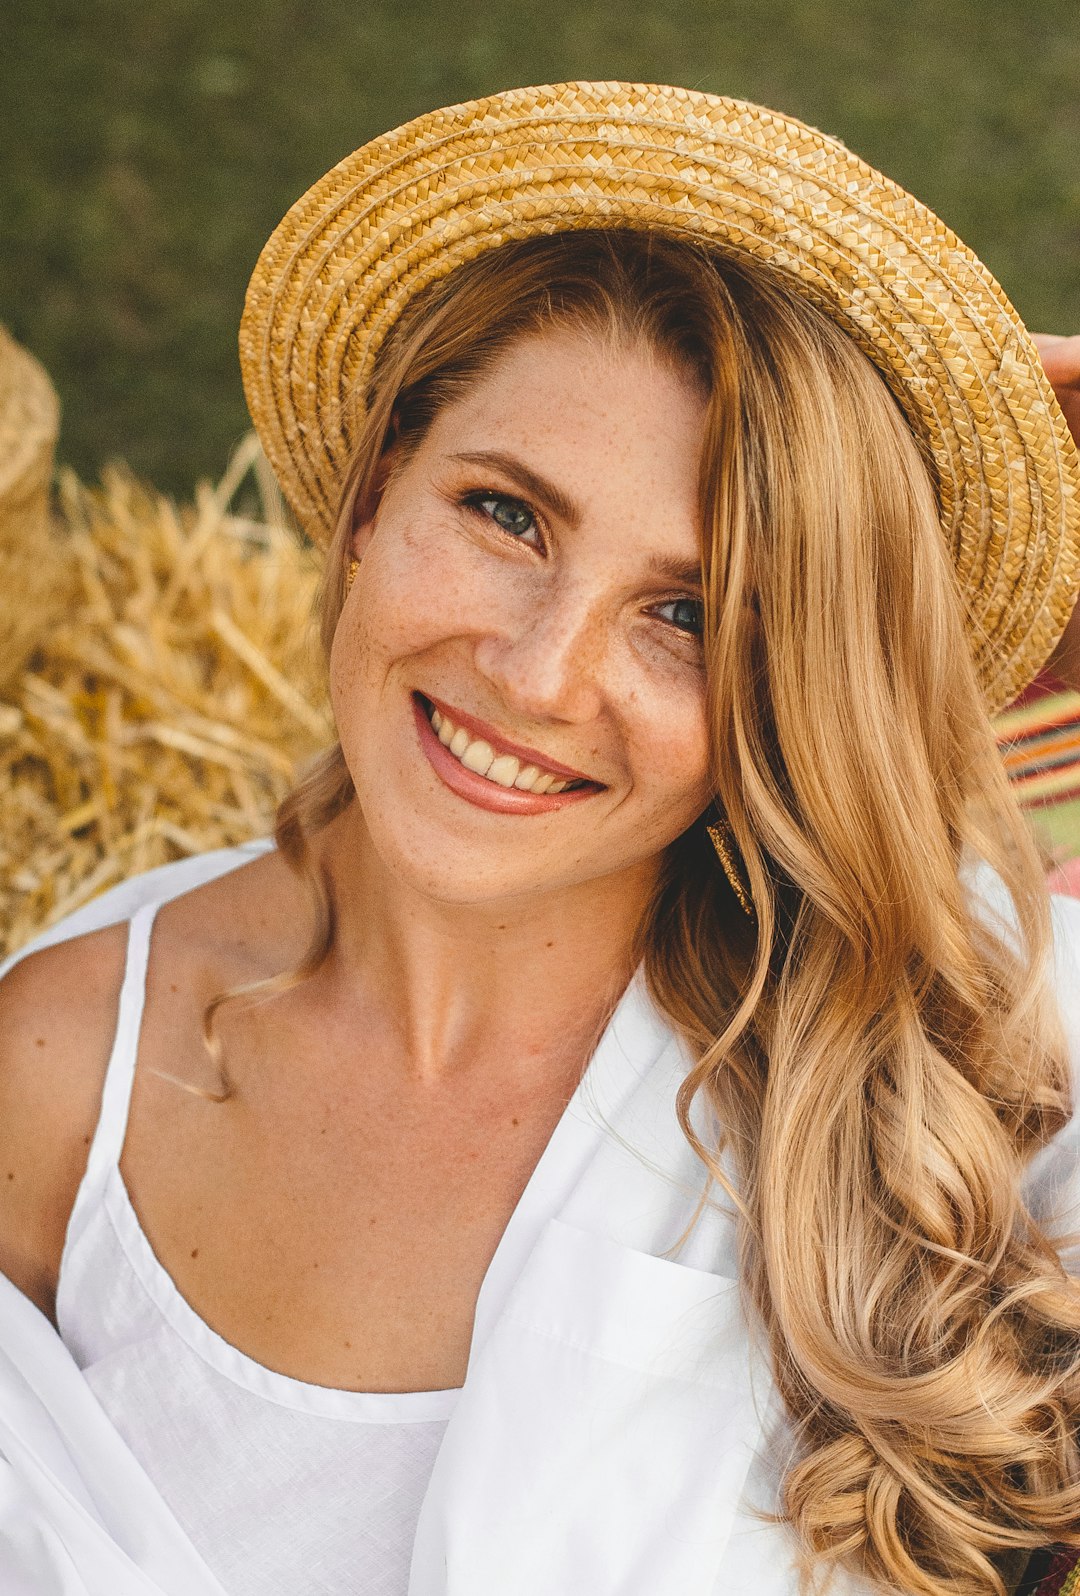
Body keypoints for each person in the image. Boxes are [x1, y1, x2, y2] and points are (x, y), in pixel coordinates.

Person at [0, 81, 1079, 1596]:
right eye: (507, 514)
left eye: (689, 617)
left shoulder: (941, 1044)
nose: (539, 675)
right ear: (376, 495)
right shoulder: (59, 1079)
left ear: (791, 694)